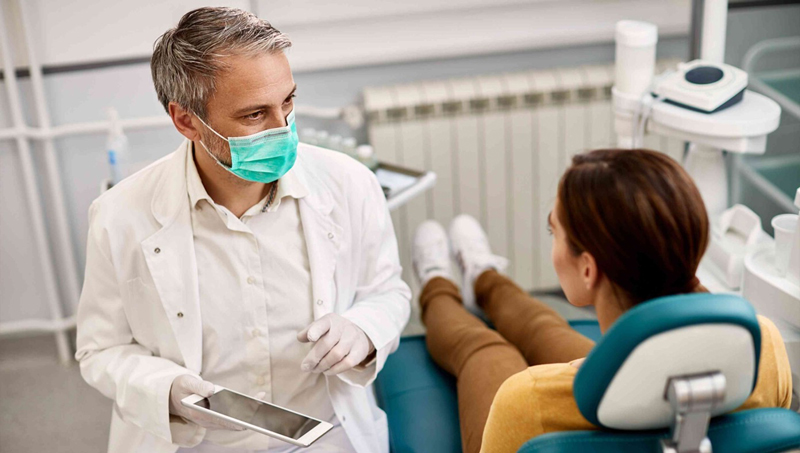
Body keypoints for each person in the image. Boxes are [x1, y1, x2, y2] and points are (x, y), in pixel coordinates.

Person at [75, 7, 410, 453]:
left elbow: (388, 291)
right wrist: (166, 391)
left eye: (288, 102)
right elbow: (100, 350)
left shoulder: (349, 183)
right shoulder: (120, 216)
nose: (284, 129)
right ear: (186, 120)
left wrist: (363, 330)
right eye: (254, 115)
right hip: (199, 443)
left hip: (326, 436)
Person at [411, 149, 793, 453]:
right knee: (543, 329)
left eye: (553, 231)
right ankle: (483, 276)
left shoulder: (525, 401)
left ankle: (437, 283)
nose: (553, 245)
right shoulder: (767, 345)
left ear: (588, 270)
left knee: (483, 350)